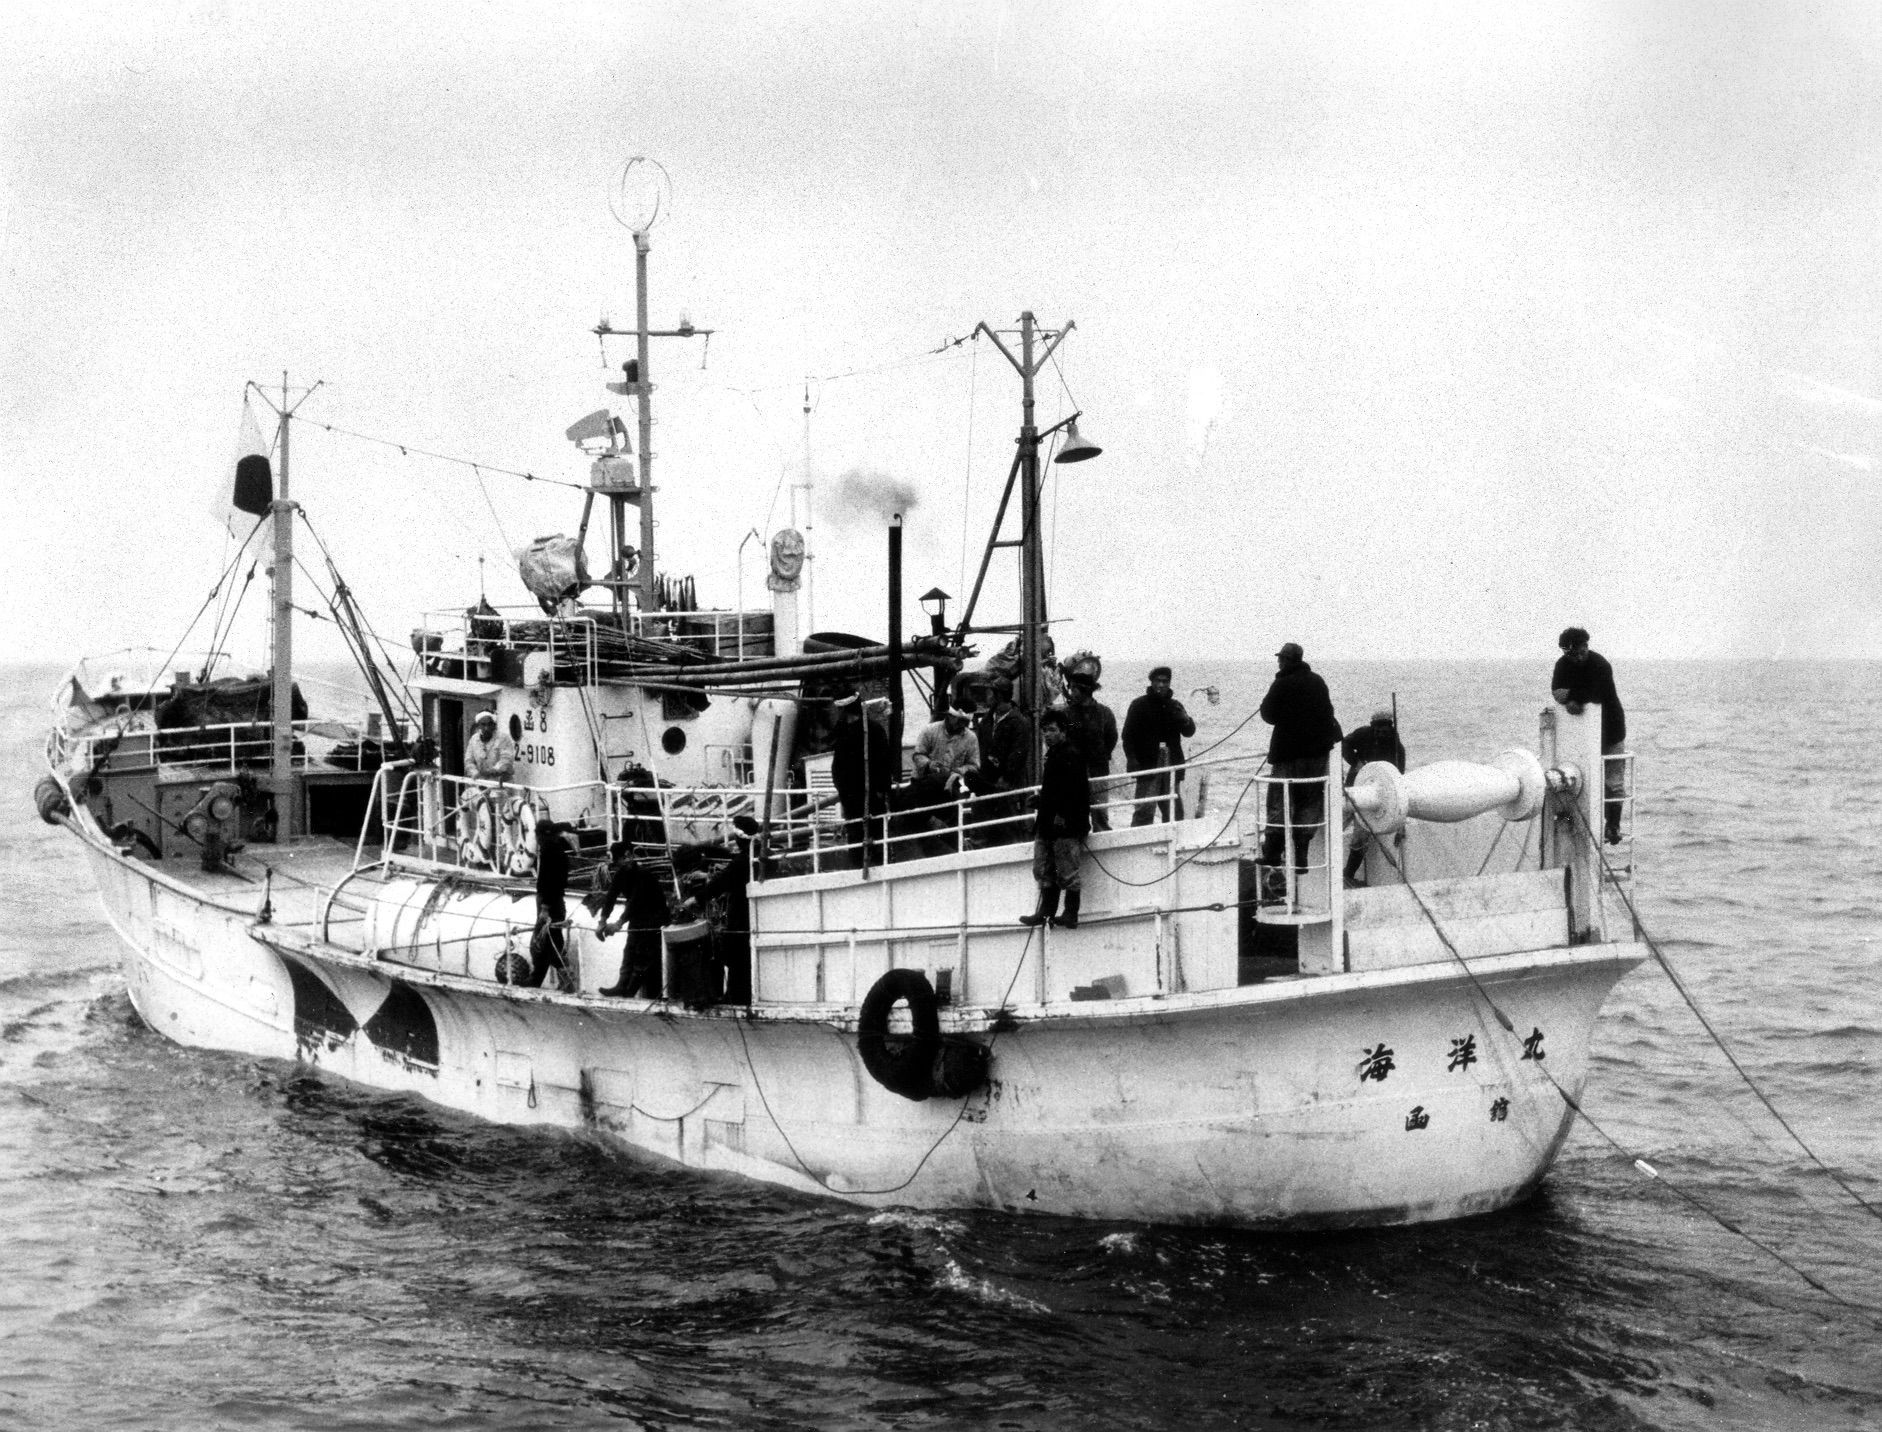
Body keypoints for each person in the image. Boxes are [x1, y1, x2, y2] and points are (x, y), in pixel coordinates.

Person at [1257, 642, 1342, 899]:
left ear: (1285, 660)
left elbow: (1269, 715)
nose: (1278, 663)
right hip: (1316, 755)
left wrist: (1279, 685)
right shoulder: (1318, 681)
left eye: (1280, 659)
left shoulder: (1282, 683)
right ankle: (1302, 857)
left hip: (1289, 754)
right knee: (1309, 803)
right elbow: (1328, 712)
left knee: (1281, 801)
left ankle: (1273, 852)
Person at [1551, 626, 1628, 843]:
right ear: (1566, 652)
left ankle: (1613, 825)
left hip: (1611, 729)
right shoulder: (1562, 665)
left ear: (1586, 645)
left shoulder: (1600, 665)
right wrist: (1570, 699)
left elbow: (1596, 693)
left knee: (1613, 782)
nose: (1578, 656)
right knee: (1589, 779)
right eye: (1572, 653)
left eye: (1582, 649)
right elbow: (1556, 691)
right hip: (1585, 734)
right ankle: (1589, 821)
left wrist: (1572, 697)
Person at [682, 814, 763, 1004]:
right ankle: (739, 994)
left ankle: (735, 996)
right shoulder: (755, 855)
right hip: (752, 912)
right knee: (742, 954)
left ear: (738, 837)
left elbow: (721, 882)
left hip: (742, 913)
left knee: (736, 953)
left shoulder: (742, 862)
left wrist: (696, 898)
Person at [1020, 709, 1090, 928]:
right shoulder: (1054, 755)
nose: (1047, 735)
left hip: (1065, 824)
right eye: (1044, 731)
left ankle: (1070, 913)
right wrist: (1040, 801)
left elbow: (1074, 792)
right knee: (1043, 868)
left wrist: (1061, 815)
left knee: (1068, 870)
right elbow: (1057, 790)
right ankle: (1046, 911)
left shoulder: (1071, 755)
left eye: (1051, 730)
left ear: (1063, 732)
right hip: (1049, 822)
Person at [1122, 666, 1197, 825]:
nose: (1161, 685)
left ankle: (1173, 846)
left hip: (1171, 763)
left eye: (1165, 681)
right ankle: (1139, 846)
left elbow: (1189, 732)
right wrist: (1132, 760)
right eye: (1158, 681)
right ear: (1152, 682)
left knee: (1174, 811)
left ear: (1169, 683)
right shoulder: (1139, 705)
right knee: (1144, 810)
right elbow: (1127, 736)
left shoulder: (1175, 706)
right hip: (1148, 765)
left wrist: (1185, 718)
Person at [595, 846, 672, 998]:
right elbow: (611, 896)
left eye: (623, 858)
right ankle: (621, 986)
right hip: (637, 917)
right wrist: (602, 921)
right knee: (629, 951)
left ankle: (630, 991)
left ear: (629, 855)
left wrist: (618, 923)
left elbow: (636, 901)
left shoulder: (643, 874)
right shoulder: (621, 874)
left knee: (643, 954)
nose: (621, 862)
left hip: (654, 917)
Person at [1341, 709, 1406, 883]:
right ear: (1372, 727)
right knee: (1336, 821)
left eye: (1385, 729)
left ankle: (1348, 874)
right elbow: (1344, 744)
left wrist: (1400, 822)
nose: (1381, 732)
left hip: (1374, 801)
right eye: (1377, 728)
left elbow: (1399, 782)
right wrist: (1355, 762)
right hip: (1353, 788)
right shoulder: (1362, 734)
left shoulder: (1396, 748)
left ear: (1390, 728)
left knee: (1361, 837)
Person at [830, 695, 892, 865]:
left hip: (863, 795)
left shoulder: (865, 731)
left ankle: (868, 865)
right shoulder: (852, 730)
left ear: (844, 710)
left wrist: (880, 789)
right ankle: (872, 865)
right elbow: (885, 764)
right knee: (867, 834)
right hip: (860, 795)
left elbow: (883, 763)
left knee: (865, 833)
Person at [909, 706, 981, 851]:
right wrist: (929, 764)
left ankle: (956, 852)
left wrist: (959, 770)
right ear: (950, 716)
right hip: (924, 787)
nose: (962, 725)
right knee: (923, 826)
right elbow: (918, 755)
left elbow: (974, 765)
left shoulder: (970, 738)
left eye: (965, 722)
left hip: (949, 789)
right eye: (959, 721)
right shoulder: (929, 731)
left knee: (951, 825)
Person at [968, 679, 1032, 843]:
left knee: (1009, 829)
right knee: (982, 827)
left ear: (999, 695)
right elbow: (981, 749)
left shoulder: (1019, 723)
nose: (986, 696)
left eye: (990, 692)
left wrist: (1005, 778)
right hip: (987, 783)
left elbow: (1018, 755)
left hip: (1008, 786)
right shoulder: (987, 721)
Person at [1059, 669, 1118, 831]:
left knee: (1100, 815)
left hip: (1098, 771)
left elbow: (1112, 737)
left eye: (1073, 689)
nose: (1071, 692)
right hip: (1073, 771)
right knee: (1075, 815)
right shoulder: (1066, 714)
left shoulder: (1104, 713)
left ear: (1084, 690)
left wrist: (1101, 755)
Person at [526, 816, 571, 988]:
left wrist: (544, 909)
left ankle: (566, 980)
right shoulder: (559, 849)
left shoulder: (548, 850)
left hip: (550, 904)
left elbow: (547, 880)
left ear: (539, 835)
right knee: (546, 942)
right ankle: (536, 979)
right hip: (557, 901)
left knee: (551, 941)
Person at [464, 710, 516, 781]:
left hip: (501, 784)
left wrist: (493, 771)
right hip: (481, 783)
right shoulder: (474, 739)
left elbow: (506, 760)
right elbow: (468, 761)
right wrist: (475, 773)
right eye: (483, 724)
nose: (487, 728)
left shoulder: (503, 738)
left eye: (490, 724)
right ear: (478, 726)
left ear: (494, 725)